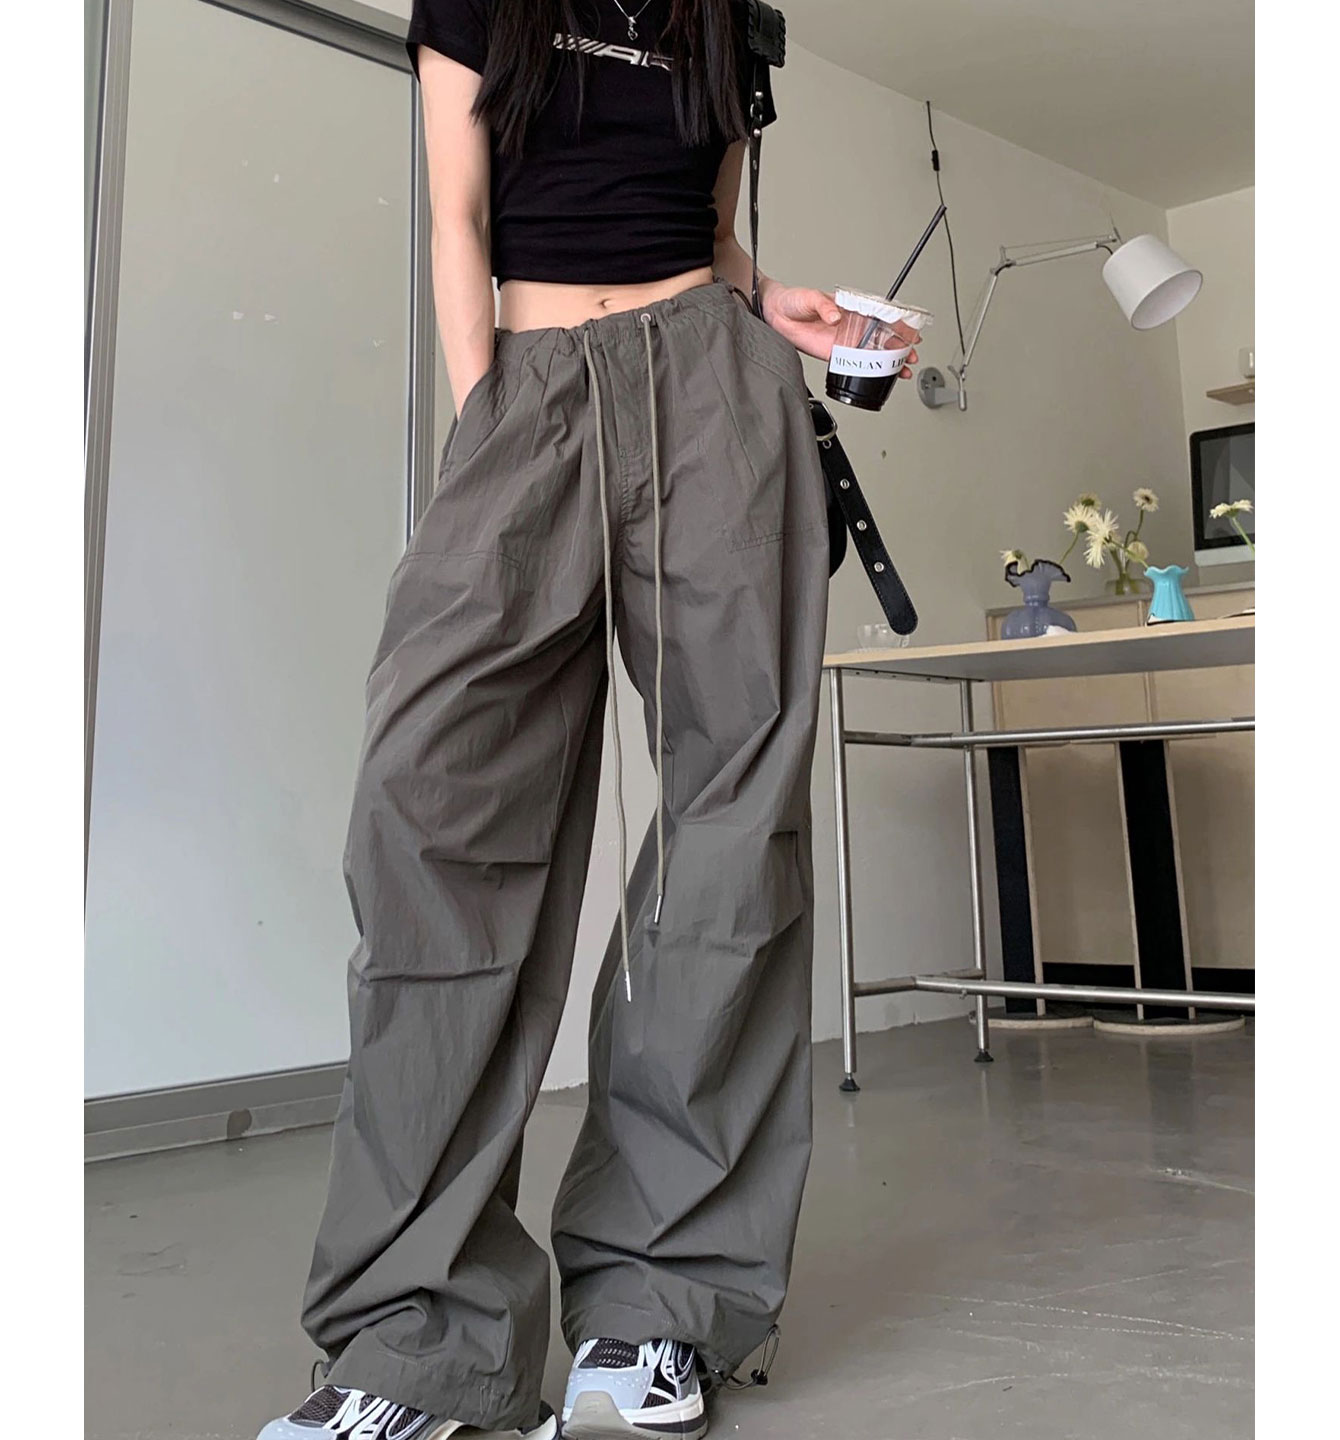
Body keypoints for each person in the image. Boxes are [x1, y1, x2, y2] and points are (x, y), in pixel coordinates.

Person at [257, 3, 918, 1438]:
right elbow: (459, 215)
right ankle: (419, 1340)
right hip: (529, 384)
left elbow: (707, 231)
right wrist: (490, 418)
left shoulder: (732, 17)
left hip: (716, 394)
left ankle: (659, 1305)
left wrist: (775, 302)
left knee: (732, 828)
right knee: (432, 813)